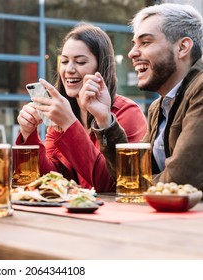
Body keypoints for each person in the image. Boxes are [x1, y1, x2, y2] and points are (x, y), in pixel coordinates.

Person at [81, 3, 203, 191]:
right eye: (134, 44)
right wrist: (104, 119)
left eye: (145, 42)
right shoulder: (158, 107)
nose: (132, 53)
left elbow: (179, 182)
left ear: (183, 47)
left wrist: (133, 184)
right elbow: (128, 174)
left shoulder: (200, 89)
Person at [16, 23, 147, 192]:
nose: (69, 69)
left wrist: (69, 123)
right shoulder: (62, 116)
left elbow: (108, 184)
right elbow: (53, 181)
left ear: (100, 68)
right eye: (64, 61)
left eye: (80, 61)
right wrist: (29, 135)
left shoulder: (126, 113)